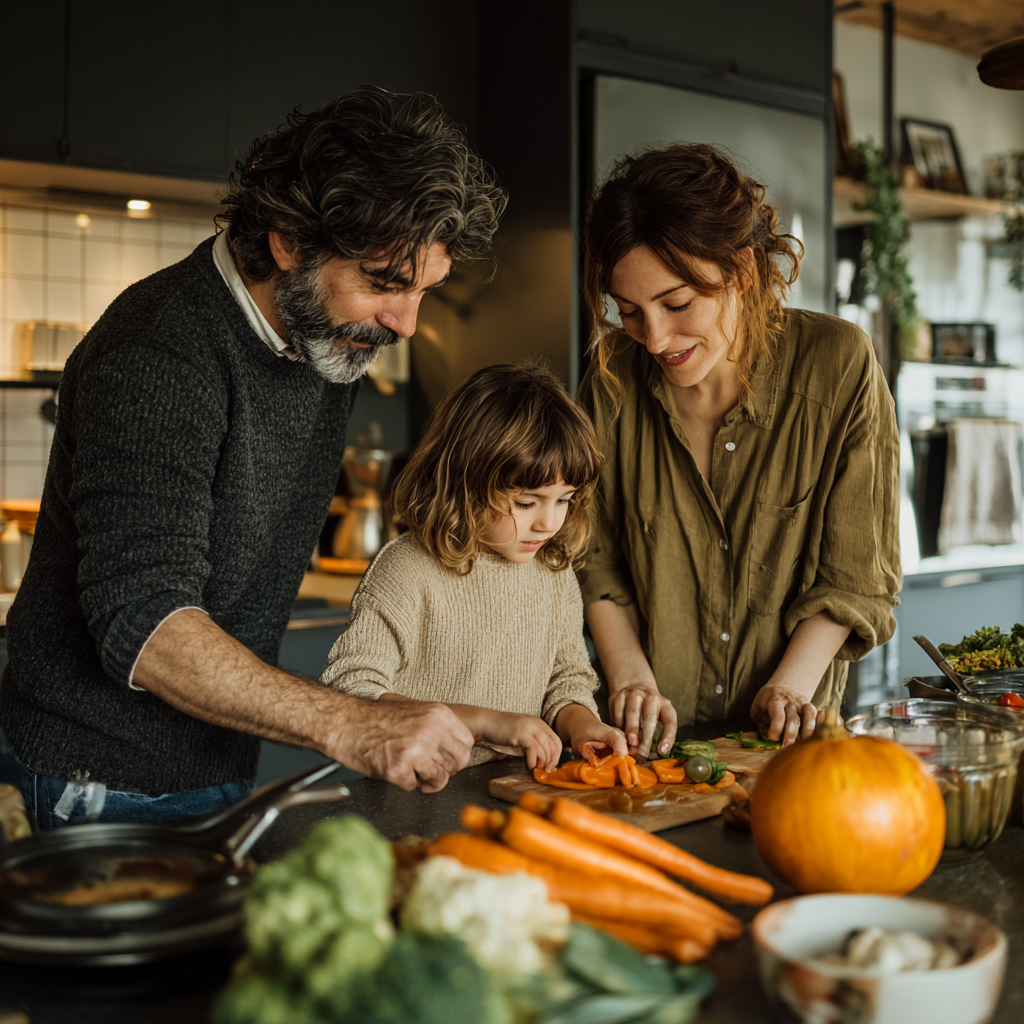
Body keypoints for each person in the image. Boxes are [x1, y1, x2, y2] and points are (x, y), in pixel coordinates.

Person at [0, 86, 508, 827]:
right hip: (95, 780)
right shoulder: (162, 349)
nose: (405, 321)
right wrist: (352, 726)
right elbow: (145, 625)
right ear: (289, 243)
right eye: (384, 283)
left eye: (426, 289)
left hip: (213, 764)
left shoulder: (323, 341)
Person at [577, 143, 900, 757]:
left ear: (743, 272)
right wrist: (631, 679)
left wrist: (788, 688)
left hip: (789, 752)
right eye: (630, 313)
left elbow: (857, 578)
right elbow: (592, 556)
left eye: (676, 304)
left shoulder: (839, 365)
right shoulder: (612, 377)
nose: (655, 339)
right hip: (647, 751)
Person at [320, 364, 629, 767]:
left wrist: (582, 723)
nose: (549, 522)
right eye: (526, 502)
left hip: (512, 793)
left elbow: (565, 681)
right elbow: (350, 693)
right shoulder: (407, 570)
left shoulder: (554, 573)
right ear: (465, 481)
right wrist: (485, 723)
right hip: (413, 804)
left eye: (564, 499)